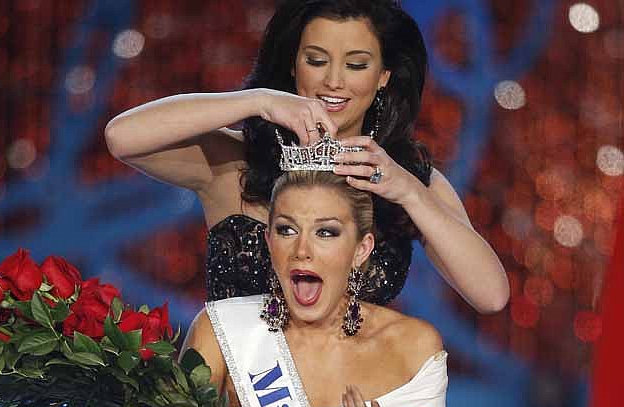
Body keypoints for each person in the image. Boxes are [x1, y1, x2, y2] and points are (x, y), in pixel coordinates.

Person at [105, 0, 509, 312]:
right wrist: (256, 101)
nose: (333, 81)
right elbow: (122, 136)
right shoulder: (237, 164)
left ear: (383, 75)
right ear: (293, 65)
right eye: (316, 61)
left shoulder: (405, 181)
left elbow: (491, 295)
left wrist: (409, 192)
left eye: (356, 64)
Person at [181, 170, 447, 407]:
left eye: (325, 232)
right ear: (269, 242)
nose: (301, 250)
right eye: (286, 230)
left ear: (361, 249)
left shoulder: (413, 348)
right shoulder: (221, 330)